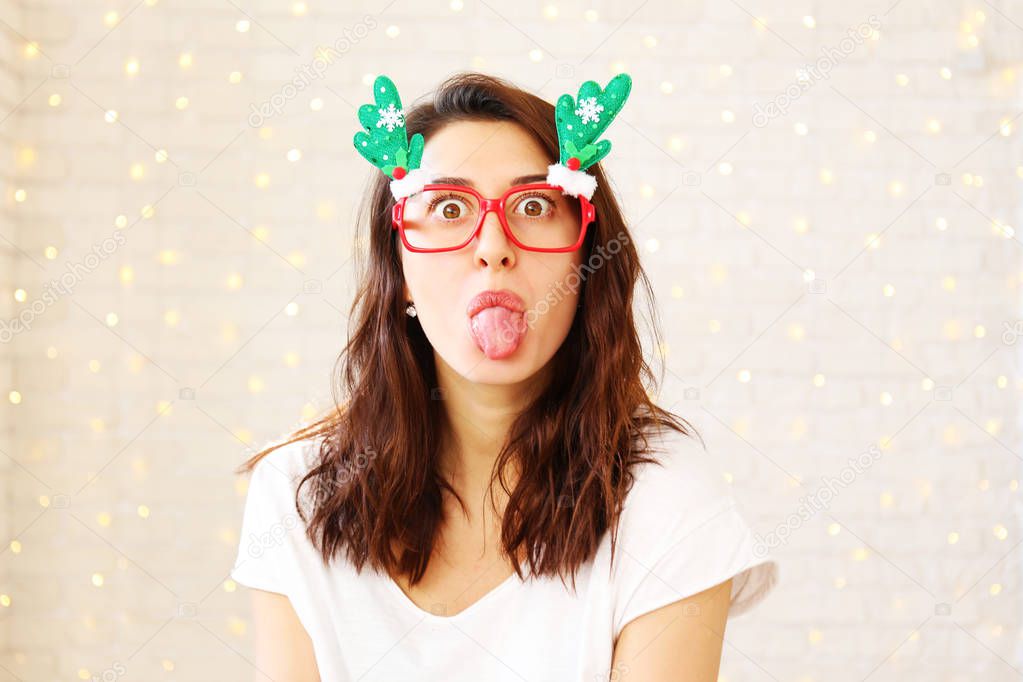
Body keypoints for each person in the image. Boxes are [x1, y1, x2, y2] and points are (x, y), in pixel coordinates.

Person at [230, 71, 778, 681]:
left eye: (535, 205)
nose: (493, 246)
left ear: (585, 259)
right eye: (447, 207)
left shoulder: (665, 501)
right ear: (401, 270)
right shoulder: (296, 496)